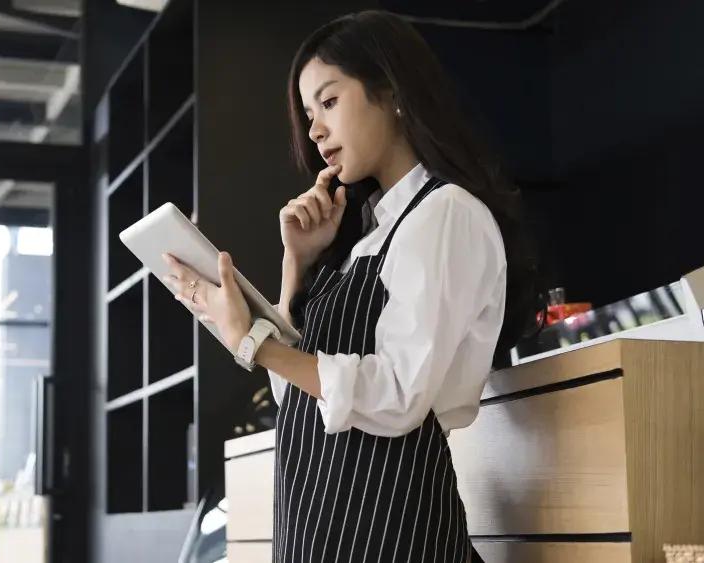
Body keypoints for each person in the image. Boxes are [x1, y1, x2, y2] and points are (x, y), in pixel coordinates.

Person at [163, 9, 541, 563]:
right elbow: (298, 395)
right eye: (308, 112)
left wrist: (255, 343)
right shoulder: (363, 239)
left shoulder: (446, 213)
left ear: (392, 93)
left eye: (329, 102)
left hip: (393, 529)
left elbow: (399, 395)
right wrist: (297, 263)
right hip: (317, 528)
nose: (314, 129)